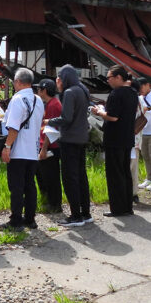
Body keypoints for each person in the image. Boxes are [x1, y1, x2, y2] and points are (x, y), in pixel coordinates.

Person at [90, 65, 138, 217]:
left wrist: (99, 111)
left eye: (109, 77)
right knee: (125, 172)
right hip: (127, 137)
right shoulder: (132, 92)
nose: (108, 80)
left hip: (114, 138)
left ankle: (117, 208)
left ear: (118, 77)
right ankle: (127, 206)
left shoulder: (116, 93)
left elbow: (113, 116)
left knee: (114, 174)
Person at [0, 68, 45, 230]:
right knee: (30, 185)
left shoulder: (17, 99)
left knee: (16, 187)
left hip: (18, 149)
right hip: (33, 149)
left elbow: (13, 127)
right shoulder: (38, 100)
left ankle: (16, 220)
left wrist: (7, 146)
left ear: (18, 82)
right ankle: (30, 219)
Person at [49, 65, 93, 227]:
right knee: (81, 177)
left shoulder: (69, 93)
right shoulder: (82, 89)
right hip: (81, 138)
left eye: (58, 79)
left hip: (69, 140)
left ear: (63, 79)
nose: (57, 83)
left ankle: (75, 215)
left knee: (69, 178)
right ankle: (85, 213)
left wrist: (49, 121)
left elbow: (66, 118)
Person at [35, 78, 63, 214]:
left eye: (39, 89)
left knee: (51, 177)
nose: (37, 91)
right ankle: (49, 201)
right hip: (48, 145)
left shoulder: (53, 105)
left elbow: (50, 130)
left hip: (51, 146)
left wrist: (44, 149)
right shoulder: (50, 103)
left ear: (44, 90)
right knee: (44, 175)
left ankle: (55, 204)